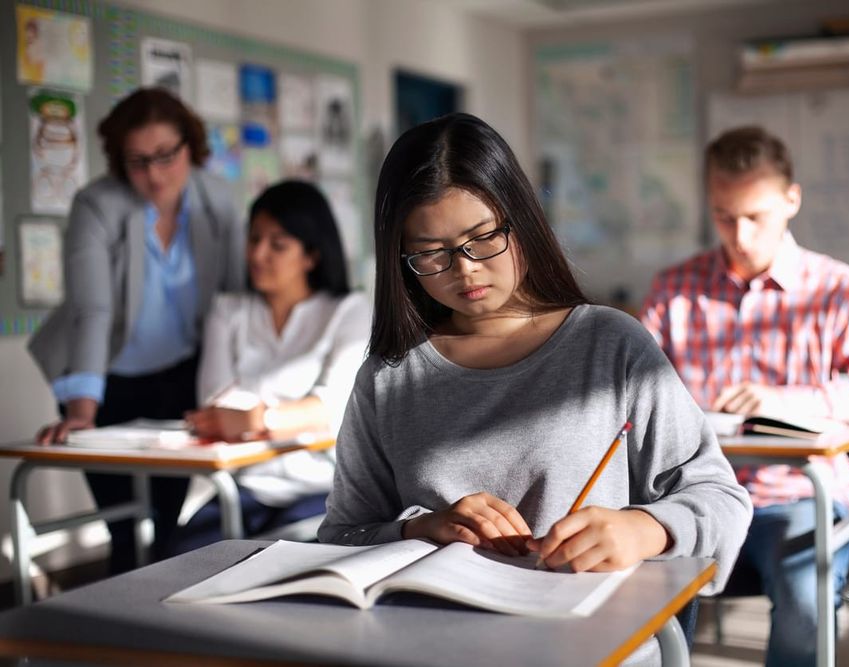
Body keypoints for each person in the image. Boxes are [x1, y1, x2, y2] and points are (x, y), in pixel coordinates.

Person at [317, 112, 752, 667]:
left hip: (587, 645)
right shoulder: (389, 375)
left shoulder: (609, 346)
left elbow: (722, 501)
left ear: (519, 221)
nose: (465, 271)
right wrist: (420, 528)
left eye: (483, 239)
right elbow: (339, 537)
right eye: (431, 253)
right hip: (435, 646)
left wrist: (644, 529)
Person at [640, 126, 849, 667]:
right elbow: (627, 396)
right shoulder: (674, 288)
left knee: (805, 600)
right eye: (723, 214)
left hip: (795, 497)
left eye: (755, 216)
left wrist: (787, 400)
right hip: (690, 495)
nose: (739, 234)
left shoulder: (836, 289)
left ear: (792, 200)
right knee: (622, 595)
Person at [30, 87, 244, 574]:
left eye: (166, 156)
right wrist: (82, 415)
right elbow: (93, 309)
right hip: (102, 378)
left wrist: (233, 395)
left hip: (180, 375)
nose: (153, 174)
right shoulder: (96, 206)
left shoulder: (218, 201)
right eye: (137, 161)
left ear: (190, 145)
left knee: (168, 525)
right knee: (123, 526)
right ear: (119, 161)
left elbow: (233, 303)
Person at [171, 180, 370, 553]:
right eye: (254, 239)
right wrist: (284, 416)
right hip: (241, 485)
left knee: (279, 565)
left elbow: (331, 407)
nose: (258, 254)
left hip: (319, 485)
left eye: (277, 245)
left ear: (311, 255)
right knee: (180, 561)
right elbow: (215, 404)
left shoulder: (348, 311)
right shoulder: (227, 311)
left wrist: (256, 419)